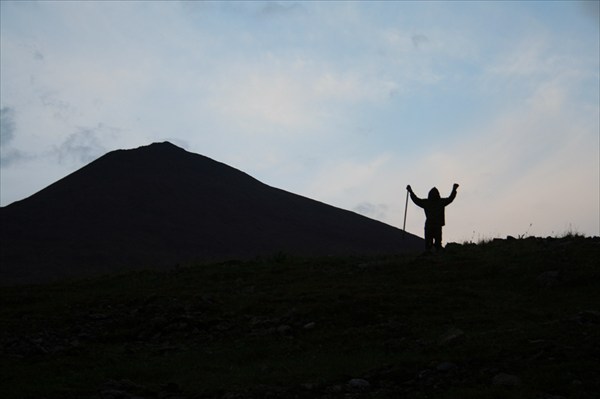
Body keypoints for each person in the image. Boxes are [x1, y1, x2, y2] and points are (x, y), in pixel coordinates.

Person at [406, 183, 459, 252]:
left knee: (428, 243)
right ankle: (437, 253)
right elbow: (450, 198)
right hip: (437, 225)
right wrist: (454, 189)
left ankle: (429, 254)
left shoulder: (426, 202)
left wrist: (410, 191)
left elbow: (416, 200)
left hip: (429, 225)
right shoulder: (441, 202)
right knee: (437, 243)